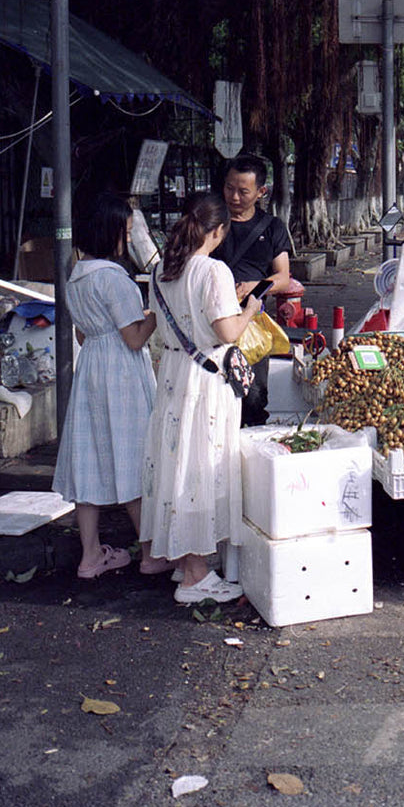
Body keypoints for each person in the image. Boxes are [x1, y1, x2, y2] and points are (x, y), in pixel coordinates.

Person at [141, 193, 262, 605]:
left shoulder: (161, 270)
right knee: (202, 468)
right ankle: (195, 574)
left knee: (178, 466)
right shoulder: (213, 271)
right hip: (207, 380)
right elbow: (227, 332)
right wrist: (251, 310)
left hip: (174, 375)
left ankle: (183, 558)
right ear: (217, 230)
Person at [52, 193, 163, 580]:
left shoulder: (76, 277)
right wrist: (154, 315)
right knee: (133, 458)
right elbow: (134, 338)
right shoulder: (113, 279)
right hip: (122, 373)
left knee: (90, 460)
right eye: (127, 231)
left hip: (92, 369)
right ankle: (150, 554)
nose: (129, 238)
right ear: (110, 232)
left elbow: (83, 335)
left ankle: (89, 556)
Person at [212, 154, 291, 423]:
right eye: (229, 188)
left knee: (253, 398)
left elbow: (282, 278)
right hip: (213, 323)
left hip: (251, 328)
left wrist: (254, 287)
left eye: (243, 191)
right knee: (213, 400)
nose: (234, 197)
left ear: (261, 192)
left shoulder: (272, 228)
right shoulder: (210, 224)